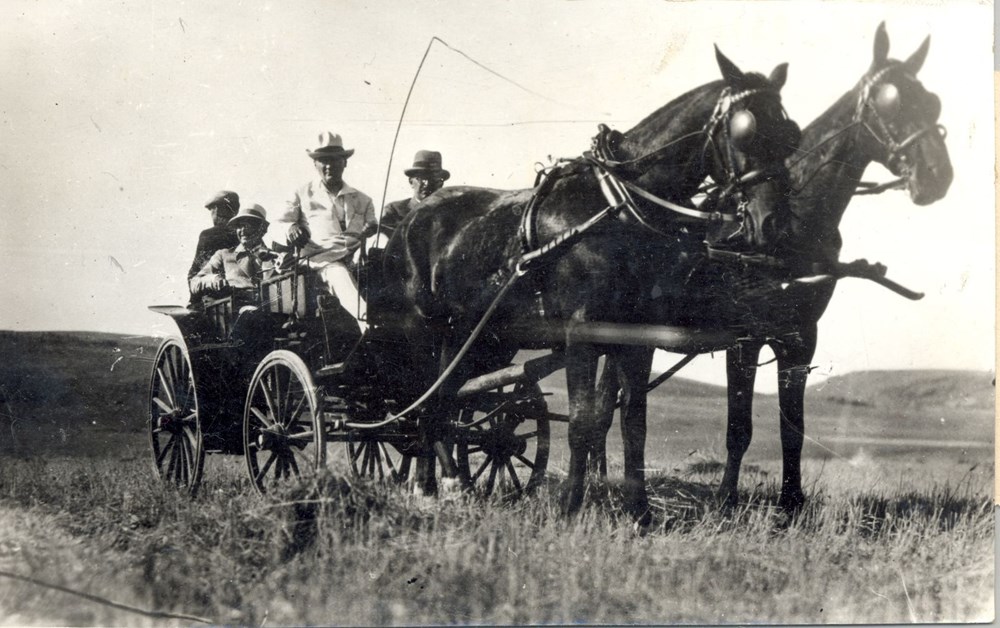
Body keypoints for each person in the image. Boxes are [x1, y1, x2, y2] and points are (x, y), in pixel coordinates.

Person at [273, 132, 377, 330]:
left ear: (345, 162)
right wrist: (291, 227)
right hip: (320, 261)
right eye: (323, 160)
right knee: (337, 272)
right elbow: (280, 224)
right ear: (315, 164)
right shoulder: (302, 194)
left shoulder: (363, 199)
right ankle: (367, 323)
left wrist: (370, 231)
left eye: (335, 160)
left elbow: (374, 227)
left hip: (356, 259)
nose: (329, 166)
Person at [189, 204, 276, 304]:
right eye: (239, 226)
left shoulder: (274, 257)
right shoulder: (223, 255)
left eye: (248, 225)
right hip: (235, 313)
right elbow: (195, 282)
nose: (242, 230)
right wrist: (213, 280)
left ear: (262, 229)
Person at [379, 150, 450, 240]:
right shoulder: (395, 210)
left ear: (440, 183)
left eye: (432, 179)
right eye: (421, 178)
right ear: (411, 182)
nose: (427, 184)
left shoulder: (449, 213)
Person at [187, 190, 240, 304]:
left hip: (217, 300)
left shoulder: (209, 235)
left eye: (211, 209)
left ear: (217, 209)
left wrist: (193, 303)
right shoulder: (247, 234)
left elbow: (196, 272)